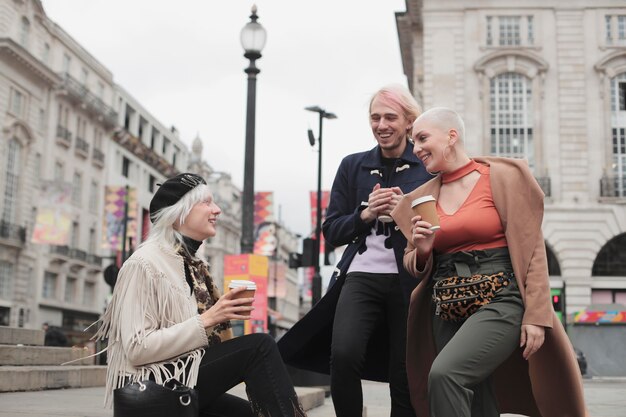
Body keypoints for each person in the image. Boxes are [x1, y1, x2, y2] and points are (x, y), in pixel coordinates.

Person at [390, 108, 587, 417]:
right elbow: (411, 262)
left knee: (445, 374)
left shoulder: (504, 177)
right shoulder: (421, 198)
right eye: (413, 142)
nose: (416, 149)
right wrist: (424, 249)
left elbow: (532, 250)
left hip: (501, 296)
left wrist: (536, 315)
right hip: (447, 303)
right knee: (478, 399)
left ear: (451, 136)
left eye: (423, 138)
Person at [94, 173, 305, 417]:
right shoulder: (143, 264)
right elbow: (137, 348)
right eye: (206, 202)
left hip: (184, 374)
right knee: (259, 347)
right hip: (153, 387)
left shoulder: (193, 266)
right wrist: (208, 319)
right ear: (178, 213)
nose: (217, 210)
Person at [278, 84, 432, 417]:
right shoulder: (352, 165)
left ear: (409, 122)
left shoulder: (426, 168)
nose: (381, 124)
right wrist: (366, 214)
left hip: (410, 278)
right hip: (361, 274)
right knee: (344, 355)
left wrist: (401, 212)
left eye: (390, 117)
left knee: (403, 369)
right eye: (375, 117)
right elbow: (331, 230)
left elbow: (439, 227)